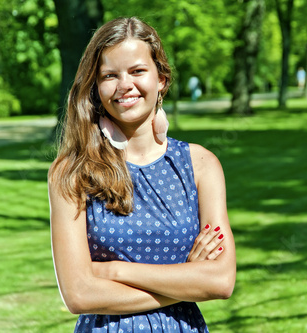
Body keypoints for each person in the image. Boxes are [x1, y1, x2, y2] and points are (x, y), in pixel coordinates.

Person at [48, 17, 236, 332]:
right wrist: (185, 278)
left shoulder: (201, 164)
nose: (125, 86)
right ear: (96, 86)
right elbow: (78, 294)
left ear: (161, 78)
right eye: (110, 75)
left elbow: (220, 280)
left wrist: (115, 271)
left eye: (137, 71)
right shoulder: (73, 171)